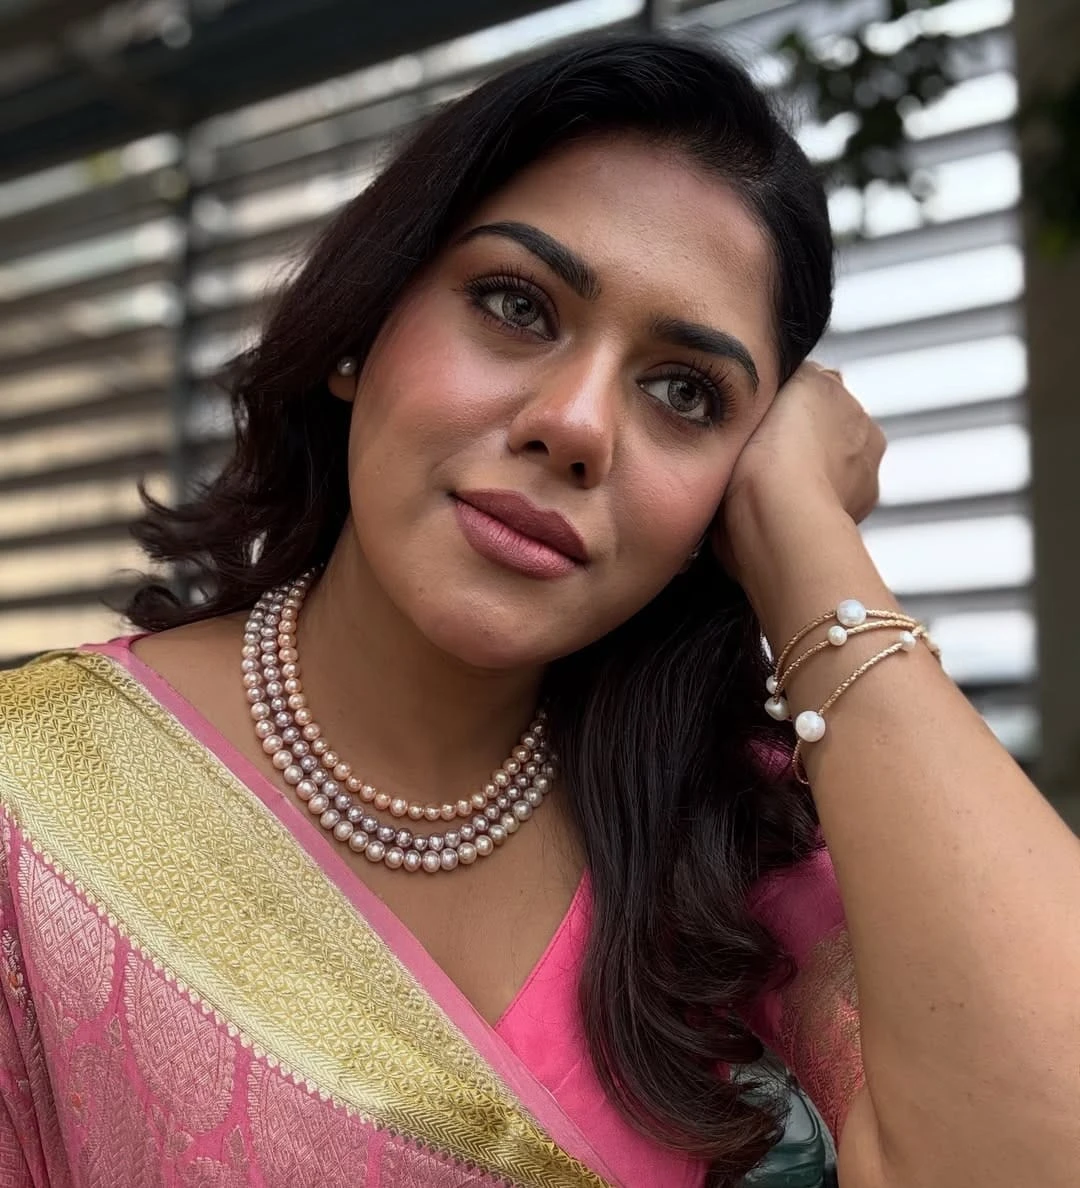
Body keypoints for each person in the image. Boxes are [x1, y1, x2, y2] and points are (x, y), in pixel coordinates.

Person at [0, 31, 1076, 1188]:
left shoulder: (717, 840)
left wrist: (804, 534)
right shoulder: (38, 793)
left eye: (686, 393)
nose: (574, 425)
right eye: (516, 304)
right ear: (362, 328)